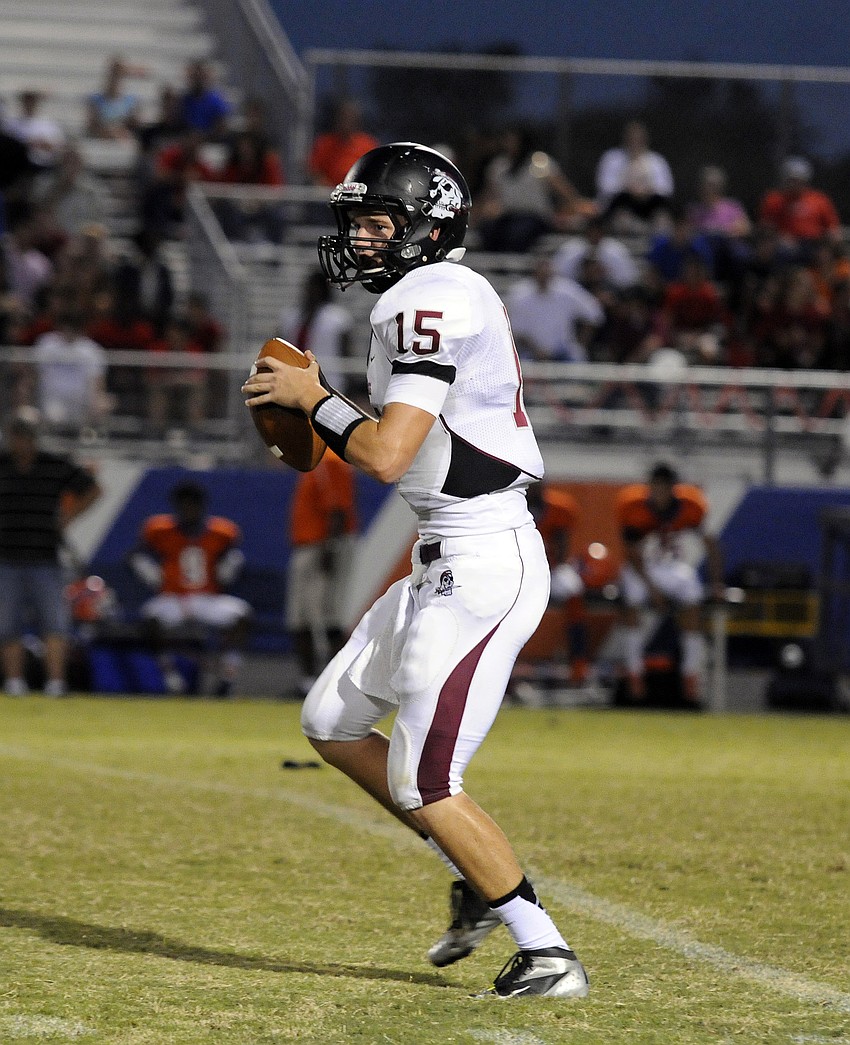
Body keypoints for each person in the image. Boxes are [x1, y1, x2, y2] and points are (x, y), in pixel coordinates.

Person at [242, 142, 589, 999]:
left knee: (426, 779)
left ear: (426, 229)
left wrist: (312, 401)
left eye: (375, 221)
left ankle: (545, 949)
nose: (359, 238)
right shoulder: (431, 294)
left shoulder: (428, 295)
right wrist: (321, 411)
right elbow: (400, 442)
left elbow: (388, 454)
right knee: (330, 718)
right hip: (446, 552)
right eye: (356, 221)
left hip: (482, 556)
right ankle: (473, 867)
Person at [0, 407, 101, 696]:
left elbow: (92, 489)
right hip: (6, 557)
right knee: (7, 624)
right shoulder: (3, 464)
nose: (23, 443)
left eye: (27, 436)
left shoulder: (53, 465)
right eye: (18, 436)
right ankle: (15, 682)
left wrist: (68, 518)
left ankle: (56, 683)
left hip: (45, 557)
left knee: (54, 623)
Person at [129, 479, 251, 697]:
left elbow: (233, 558)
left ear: (202, 507)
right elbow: (135, 555)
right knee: (150, 619)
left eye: (193, 506)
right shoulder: (159, 529)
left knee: (242, 616)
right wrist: (150, 572)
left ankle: (227, 676)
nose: (188, 511)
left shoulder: (222, 532)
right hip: (172, 597)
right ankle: (170, 676)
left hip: (208, 597)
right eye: (183, 506)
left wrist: (228, 567)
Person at [615, 462, 724, 705]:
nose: (660, 491)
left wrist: (717, 583)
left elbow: (711, 544)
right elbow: (632, 555)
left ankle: (690, 675)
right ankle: (634, 673)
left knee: (692, 594)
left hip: (673, 568)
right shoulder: (634, 506)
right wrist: (653, 590)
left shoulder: (690, 505)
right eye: (656, 486)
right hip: (642, 569)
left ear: (673, 488)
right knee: (631, 599)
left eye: (664, 486)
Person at [285, 449, 358, 700]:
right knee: (303, 618)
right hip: (312, 545)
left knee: (328, 618)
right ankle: (310, 682)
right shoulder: (319, 460)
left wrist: (330, 549)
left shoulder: (328, 460)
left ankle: (335, 682)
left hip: (322, 546)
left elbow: (337, 509)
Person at [477, 124, 588, 253]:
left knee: (518, 233)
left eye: (512, 139)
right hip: (508, 216)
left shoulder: (539, 162)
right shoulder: (499, 165)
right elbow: (489, 195)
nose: (508, 143)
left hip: (534, 217)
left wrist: (569, 212)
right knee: (489, 230)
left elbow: (564, 192)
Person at [506, 250, 604, 363]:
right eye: (541, 272)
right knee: (518, 365)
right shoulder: (519, 295)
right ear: (534, 273)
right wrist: (536, 350)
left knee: (578, 356)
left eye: (547, 272)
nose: (544, 276)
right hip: (530, 352)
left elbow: (594, 314)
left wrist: (581, 343)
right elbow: (515, 331)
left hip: (563, 351)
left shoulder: (567, 291)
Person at [278, 269, 352, 393]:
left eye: (317, 287)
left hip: (329, 381)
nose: (312, 292)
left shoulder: (338, 318)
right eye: (310, 287)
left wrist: (348, 381)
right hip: (293, 379)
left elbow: (346, 353)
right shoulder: (290, 317)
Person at [595, 120, 674, 230]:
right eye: (631, 138)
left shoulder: (656, 161)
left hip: (648, 207)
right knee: (622, 215)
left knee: (663, 217)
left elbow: (666, 189)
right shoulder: (612, 158)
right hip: (621, 207)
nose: (635, 142)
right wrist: (629, 189)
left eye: (638, 139)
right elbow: (604, 187)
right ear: (625, 139)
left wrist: (646, 191)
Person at [758, 156, 841, 260]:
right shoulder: (773, 200)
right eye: (791, 180)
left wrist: (830, 243)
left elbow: (832, 228)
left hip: (814, 243)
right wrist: (779, 238)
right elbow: (766, 226)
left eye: (799, 181)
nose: (794, 184)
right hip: (784, 243)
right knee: (778, 252)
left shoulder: (820, 200)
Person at [308, 98, 379, 188]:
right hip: (328, 195)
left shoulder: (368, 144)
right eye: (344, 117)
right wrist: (326, 187)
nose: (347, 122)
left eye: (350, 117)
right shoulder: (325, 143)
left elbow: (375, 173)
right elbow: (314, 170)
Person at [85, 56, 143, 140]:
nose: (115, 77)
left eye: (119, 74)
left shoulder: (132, 101)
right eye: (113, 73)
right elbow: (92, 127)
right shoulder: (94, 100)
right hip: (100, 141)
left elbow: (135, 127)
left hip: (123, 142)